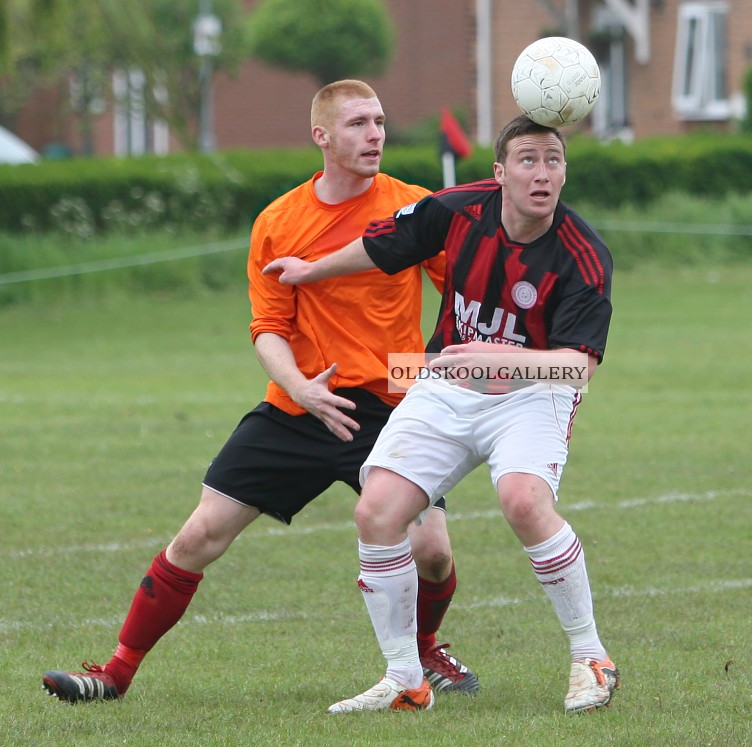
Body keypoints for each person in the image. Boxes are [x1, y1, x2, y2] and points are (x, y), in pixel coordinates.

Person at [41, 80, 477, 704]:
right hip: (299, 407)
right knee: (197, 537)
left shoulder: (413, 207)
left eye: (379, 121)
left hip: (390, 409)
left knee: (431, 551)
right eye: (357, 123)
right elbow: (269, 327)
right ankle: (115, 672)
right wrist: (301, 387)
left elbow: (463, 291)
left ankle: (428, 649)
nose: (375, 134)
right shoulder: (279, 221)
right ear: (321, 136)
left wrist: (436, 363)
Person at [263, 114, 617, 714]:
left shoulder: (582, 255)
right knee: (375, 512)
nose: (542, 173)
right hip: (449, 379)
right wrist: (311, 269)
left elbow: (577, 367)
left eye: (553, 160)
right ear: (499, 174)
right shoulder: (455, 209)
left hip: (534, 392)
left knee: (525, 502)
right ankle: (405, 678)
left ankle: (591, 658)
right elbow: (384, 245)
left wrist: (503, 358)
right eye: (527, 160)